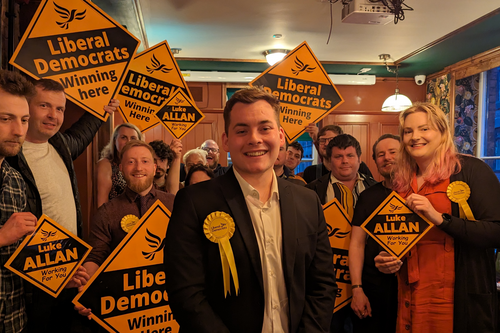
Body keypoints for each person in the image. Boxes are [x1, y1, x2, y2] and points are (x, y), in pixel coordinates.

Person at [164, 86, 336, 333]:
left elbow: (323, 284)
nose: (255, 138)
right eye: (242, 130)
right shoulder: (193, 202)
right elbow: (186, 293)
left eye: (265, 128)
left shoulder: (308, 201)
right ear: (226, 140)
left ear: (280, 136)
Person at [6, 78, 119, 333]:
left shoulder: (61, 145)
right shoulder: (10, 155)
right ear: (27, 107)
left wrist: (102, 108)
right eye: (44, 105)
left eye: (59, 109)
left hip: (70, 270)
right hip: (32, 281)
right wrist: (56, 272)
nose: (53, 115)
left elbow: (83, 130)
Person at [375, 103, 500, 333]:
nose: (415, 137)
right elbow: (401, 237)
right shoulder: (401, 181)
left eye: (424, 129)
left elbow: (495, 232)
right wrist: (387, 258)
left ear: (443, 132)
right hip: (408, 296)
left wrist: (440, 218)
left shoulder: (470, 170)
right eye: (408, 131)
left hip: (455, 299)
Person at [306, 134, 376, 333]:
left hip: (367, 277)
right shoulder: (311, 192)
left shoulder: (377, 190)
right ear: (328, 161)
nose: (345, 161)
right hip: (327, 279)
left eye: (350, 155)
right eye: (338, 156)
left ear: (359, 159)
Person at [349, 134, 400, 333]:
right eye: (380, 154)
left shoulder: (420, 193)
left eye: (393, 152)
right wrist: (357, 289)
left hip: (412, 288)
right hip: (373, 288)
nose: (386, 157)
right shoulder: (367, 196)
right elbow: (357, 244)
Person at [0, 70, 38, 333]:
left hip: (14, 319)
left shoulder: (16, 180)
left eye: (24, 120)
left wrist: (58, 272)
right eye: (5, 119)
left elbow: (20, 257)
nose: (18, 131)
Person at [302, 125, 372, 183]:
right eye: (323, 140)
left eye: (331, 140)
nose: (326, 144)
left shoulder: (360, 167)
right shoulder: (310, 172)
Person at [96, 123, 143, 208]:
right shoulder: (106, 164)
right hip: (116, 216)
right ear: (115, 141)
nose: (128, 142)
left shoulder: (143, 165)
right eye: (123, 137)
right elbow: (102, 204)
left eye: (133, 138)